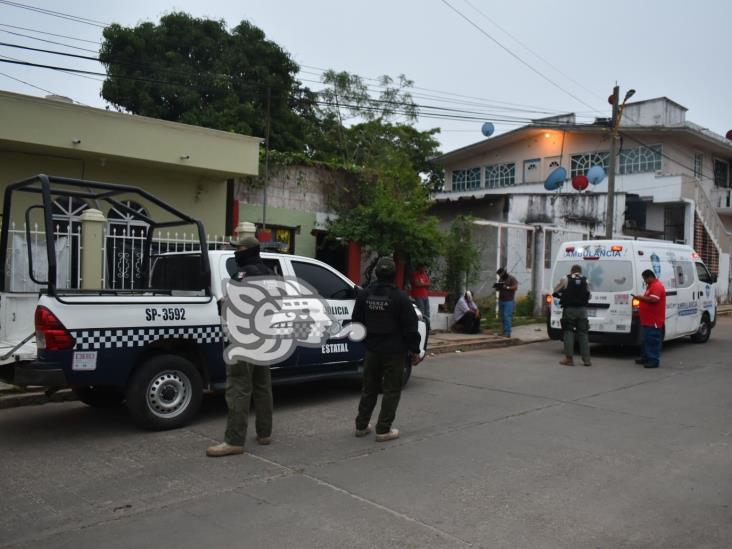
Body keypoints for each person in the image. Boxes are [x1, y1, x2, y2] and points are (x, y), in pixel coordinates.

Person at [207, 235, 274, 457]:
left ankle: (234, 440)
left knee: (238, 387)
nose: (235, 251)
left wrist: (221, 303)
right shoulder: (270, 273)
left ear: (249, 250)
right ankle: (264, 433)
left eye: (239, 248)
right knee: (262, 385)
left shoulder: (242, 274)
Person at [353, 256, 422, 442]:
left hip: (372, 350)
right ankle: (383, 429)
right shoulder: (401, 298)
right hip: (394, 352)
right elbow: (410, 327)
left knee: (369, 388)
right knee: (391, 390)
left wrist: (367, 341)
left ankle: (361, 426)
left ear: (376, 273)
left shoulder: (364, 295)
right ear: (394, 274)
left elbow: (356, 324)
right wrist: (415, 350)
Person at [554, 264, 592, 366]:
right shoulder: (586, 280)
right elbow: (589, 295)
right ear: (580, 272)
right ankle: (586, 360)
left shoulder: (566, 278)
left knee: (568, 332)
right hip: (582, 311)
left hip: (569, 310)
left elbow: (556, 290)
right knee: (583, 334)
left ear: (571, 271)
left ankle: (569, 359)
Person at [634, 269, 666, 369]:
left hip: (654, 320)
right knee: (646, 340)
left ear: (650, 277)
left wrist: (641, 298)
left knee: (652, 340)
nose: (645, 281)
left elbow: (654, 299)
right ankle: (646, 357)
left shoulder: (656, 286)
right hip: (647, 320)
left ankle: (653, 360)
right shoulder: (651, 286)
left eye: (645, 279)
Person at [494, 267, 518, 337]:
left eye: (500, 274)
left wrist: (507, 287)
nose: (499, 276)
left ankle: (508, 333)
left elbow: (515, 287)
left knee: (507, 316)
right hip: (501, 300)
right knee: (502, 317)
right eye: (498, 275)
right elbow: (499, 289)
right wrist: (497, 287)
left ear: (503, 273)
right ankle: (503, 331)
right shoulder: (501, 279)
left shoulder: (511, 278)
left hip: (509, 301)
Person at [410, 264, 431, 332]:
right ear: (419, 267)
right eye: (423, 267)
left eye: (425, 267)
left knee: (427, 312)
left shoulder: (424, 274)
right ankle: (422, 328)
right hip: (418, 295)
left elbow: (429, 284)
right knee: (421, 312)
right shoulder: (415, 274)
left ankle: (428, 327)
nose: (424, 269)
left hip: (425, 295)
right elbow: (417, 284)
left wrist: (422, 284)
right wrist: (424, 284)